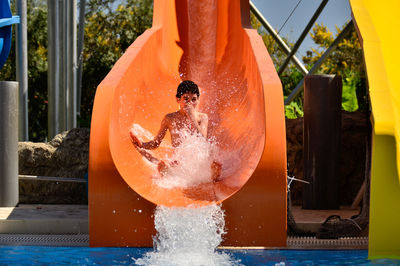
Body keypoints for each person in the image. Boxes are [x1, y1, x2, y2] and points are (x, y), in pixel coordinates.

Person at [129, 80, 222, 182]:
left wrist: (191, 116)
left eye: (194, 99)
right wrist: (142, 145)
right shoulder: (170, 118)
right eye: (186, 99)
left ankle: (211, 175)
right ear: (178, 99)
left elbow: (202, 139)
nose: (190, 103)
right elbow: (156, 143)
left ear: (198, 100)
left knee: (209, 162)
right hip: (181, 162)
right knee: (173, 163)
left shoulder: (202, 118)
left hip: (198, 161)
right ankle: (168, 171)